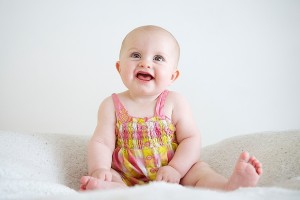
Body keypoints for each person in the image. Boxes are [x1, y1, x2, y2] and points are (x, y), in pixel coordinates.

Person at [80, 25, 262, 191]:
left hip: (175, 174)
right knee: (112, 176)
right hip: (127, 176)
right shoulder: (111, 105)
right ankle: (113, 189)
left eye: (158, 58)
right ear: (119, 68)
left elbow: (190, 138)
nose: (145, 63)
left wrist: (176, 168)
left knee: (199, 170)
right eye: (136, 55)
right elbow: (102, 142)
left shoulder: (174, 102)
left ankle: (229, 186)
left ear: (173, 76)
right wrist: (100, 169)